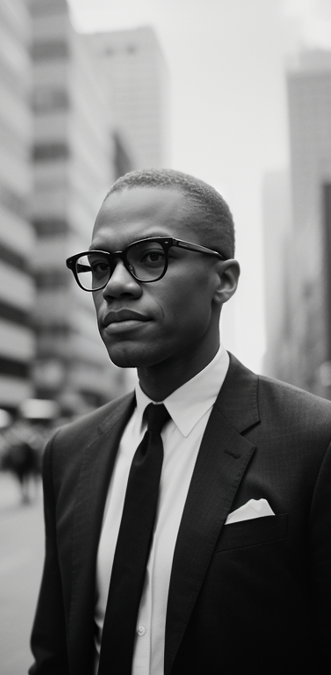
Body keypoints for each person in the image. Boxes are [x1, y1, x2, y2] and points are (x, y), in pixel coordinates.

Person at [29, 168, 331, 674]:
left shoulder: (314, 443)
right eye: (100, 265)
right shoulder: (68, 452)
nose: (115, 286)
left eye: (151, 257)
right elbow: (56, 652)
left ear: (224, 280)